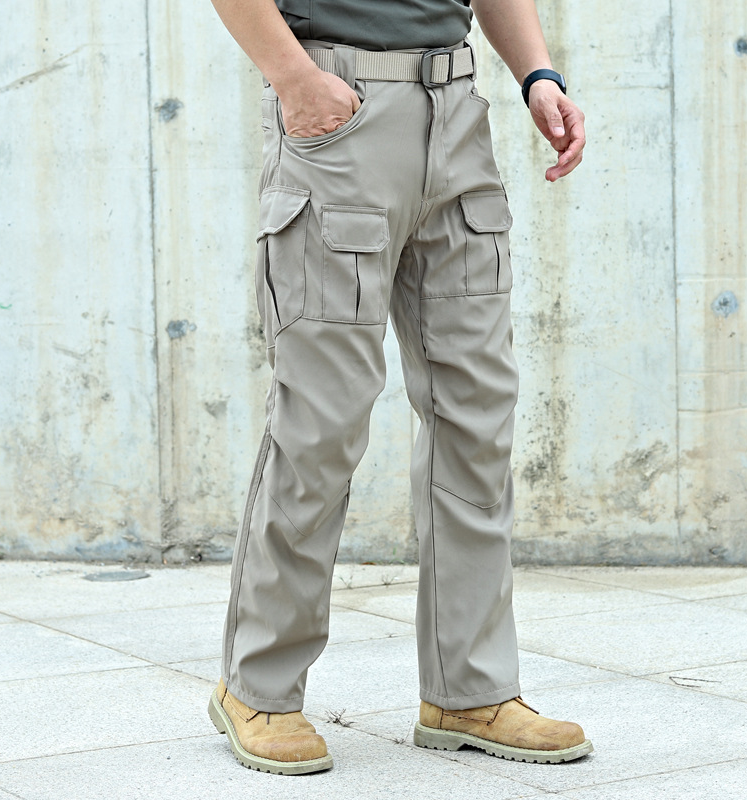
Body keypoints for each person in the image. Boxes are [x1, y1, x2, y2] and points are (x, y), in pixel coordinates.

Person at [206, 0, 590, 775]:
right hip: (337, 112)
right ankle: (259, 689)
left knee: (476, 415)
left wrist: (537, 75)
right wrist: (294, 79)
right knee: (323, 418)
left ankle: (469, 689)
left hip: (457, 113)